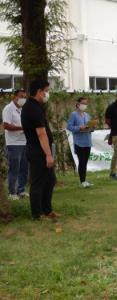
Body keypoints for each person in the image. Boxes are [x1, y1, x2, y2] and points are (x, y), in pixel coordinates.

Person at [21, 79, 59, 220]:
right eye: (46, 91)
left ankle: (47, 210)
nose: (47, 94)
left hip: (42, 149)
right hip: (37, 150)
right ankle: (37, 214)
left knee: (49, 180)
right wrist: (48, 155)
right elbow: (41, 133)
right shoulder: (32, 108)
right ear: (39, 91)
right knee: (38, 182)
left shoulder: (36, 106)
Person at [2, 89, 29, 200]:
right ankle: (12, 192)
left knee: (24, 168)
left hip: (24, 142)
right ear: (15, 97)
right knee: (14, 168)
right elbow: (6, 125)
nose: (23, 99)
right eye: (21, 96)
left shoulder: (23, 109)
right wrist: (21, 128)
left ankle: (21, 190)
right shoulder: (8, 109)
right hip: (13, 144)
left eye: (24, 97)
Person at [67, 97, 94, 188]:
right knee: (81, 162)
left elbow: (90, 126)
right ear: (78, 104)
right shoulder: (73, 115)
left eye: (86, 103)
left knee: (85, 162)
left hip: (87, 141)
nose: (84, 105)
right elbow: (69, 127)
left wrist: (91, 128)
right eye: (83, 103)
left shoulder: (87, 115)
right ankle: (82, 181)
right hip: (79, 142)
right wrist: (79, 128)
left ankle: (84, 180)